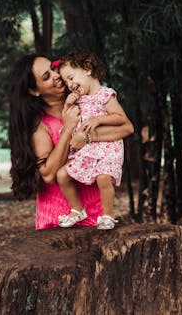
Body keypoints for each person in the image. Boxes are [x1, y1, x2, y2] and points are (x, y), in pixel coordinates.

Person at [8, 54, 134, 230]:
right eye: (46, 77)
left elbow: (127, 128)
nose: (56, 75)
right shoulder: (40, 125)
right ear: (34, 91)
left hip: (98, 214)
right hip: (60, 219)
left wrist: (87, 138)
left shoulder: (86, 99)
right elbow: (49, 175)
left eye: (53, 68)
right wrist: (68, 130)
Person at [55, 50, 127, 230]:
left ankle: (108, 215)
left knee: (104, 178)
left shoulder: (105, 95)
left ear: (87, 68)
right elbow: (68, 119)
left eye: (71, 78)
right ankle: (78, 209)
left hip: (107, 148)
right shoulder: (80, 99)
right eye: (66, 82)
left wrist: (99, 119)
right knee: (62, 175)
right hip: (87, 149)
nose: (69, 85)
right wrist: (68, 104)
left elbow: (120, 118)